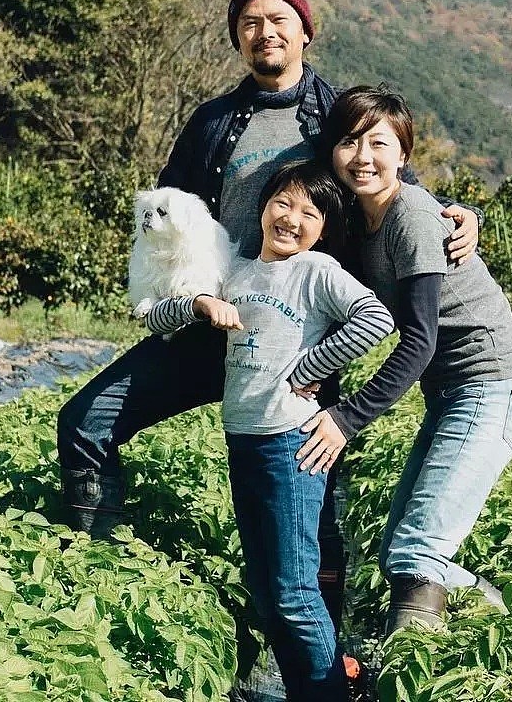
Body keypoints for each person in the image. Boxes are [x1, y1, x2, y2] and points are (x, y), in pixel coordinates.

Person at [56, 0, 480, 619]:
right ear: (237, 39)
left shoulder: (336, 116)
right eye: (250, 23)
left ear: (305, 31)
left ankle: (323, 653)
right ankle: (97, 591)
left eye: (279, 20)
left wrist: (455, 210)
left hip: (296, 343)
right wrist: (167, 295)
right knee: (86, 424)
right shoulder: (212, 122)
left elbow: (395, 183)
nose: (265, 33)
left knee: (307, 501)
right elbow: (165, 211)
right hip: (210, 325)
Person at [145, 161, 394, 701]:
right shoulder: (235, 272)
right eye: (284, 202)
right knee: (267, 589)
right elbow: (153, 319)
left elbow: (376, 320)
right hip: (245, 439)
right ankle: (308, 690)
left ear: (322, 230)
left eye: (310, 213)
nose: (292, 218)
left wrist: (309, 370)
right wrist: (198, 302)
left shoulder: (316, 272)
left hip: (291, 444)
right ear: (263, 206)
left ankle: (327, 694)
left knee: (294, 591)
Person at [292, 85, 512, 634]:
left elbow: (420, 339)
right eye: (350, 143)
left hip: (489, 384)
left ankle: (415, 675)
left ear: (403, 154)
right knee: (399, 555)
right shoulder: (358, 218)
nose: (363, 157)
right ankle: (500, 615)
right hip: (451, 394)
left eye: (378, 144)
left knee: (417, 554)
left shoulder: (410, 218)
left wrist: (346, 418)